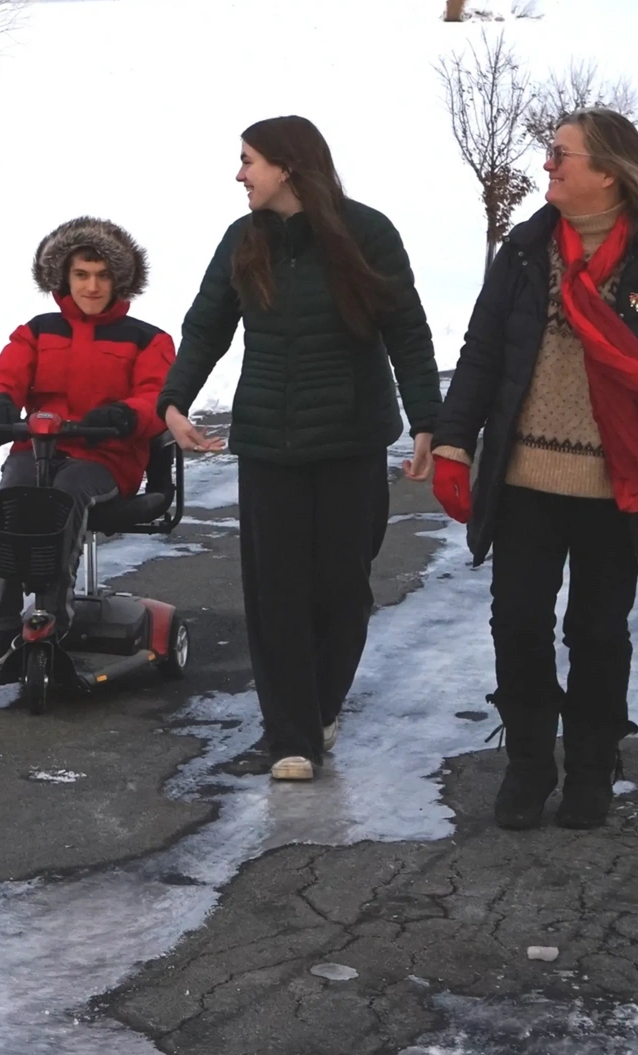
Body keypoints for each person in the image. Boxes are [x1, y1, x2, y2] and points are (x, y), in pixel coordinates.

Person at [431, 109, 638, 831]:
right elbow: (483, 351)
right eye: (549, 153)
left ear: (610, 171)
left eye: (561, 155)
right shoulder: (526, 250)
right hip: (526, 479)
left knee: (597, 629)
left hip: (616, 489)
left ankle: (591, 766)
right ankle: (529, 761)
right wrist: (454, 444)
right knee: (518, 621)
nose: (548, 166)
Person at [158, 117, 439, 782]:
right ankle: (290, 736)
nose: (239, 174)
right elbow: (205, 326)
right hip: (268, 446)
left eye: (248, 160)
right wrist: (174, 400)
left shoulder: (367, 233)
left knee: (342, 589)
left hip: (350, 442)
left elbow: (407, 328)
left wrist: (430, 420)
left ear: (287, 165)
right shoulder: (243, 240)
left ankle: (321, 704)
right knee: (275, 591)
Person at [0, 217, 176, 667]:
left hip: (106, 456)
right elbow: (4, 377)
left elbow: (157, 397)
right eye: (81, 275)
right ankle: (5, 617)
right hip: (39, 448)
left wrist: (124, 414)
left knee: (66, 497)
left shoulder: (148, 340)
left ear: (119, 279)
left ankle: (51, 612)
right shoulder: (38, 331)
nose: (92, 285)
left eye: (102, 275)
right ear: (63, 277)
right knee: (13, 499)